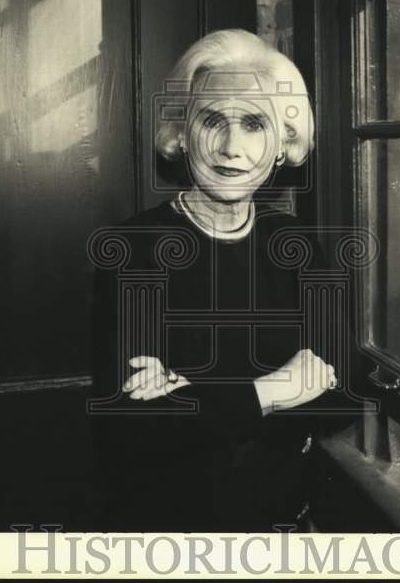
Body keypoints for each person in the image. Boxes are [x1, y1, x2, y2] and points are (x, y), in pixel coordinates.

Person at [87, 29, 364, 533]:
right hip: (163, 535)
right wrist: (277, 388)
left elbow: (342, 393)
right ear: (182, 133)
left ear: (281, 146)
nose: (232, 147)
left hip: (281, 527)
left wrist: (196, 395)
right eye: (213, 120)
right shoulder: (132, 249)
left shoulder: (298, 246)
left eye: (255, 125)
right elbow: (133, 430)